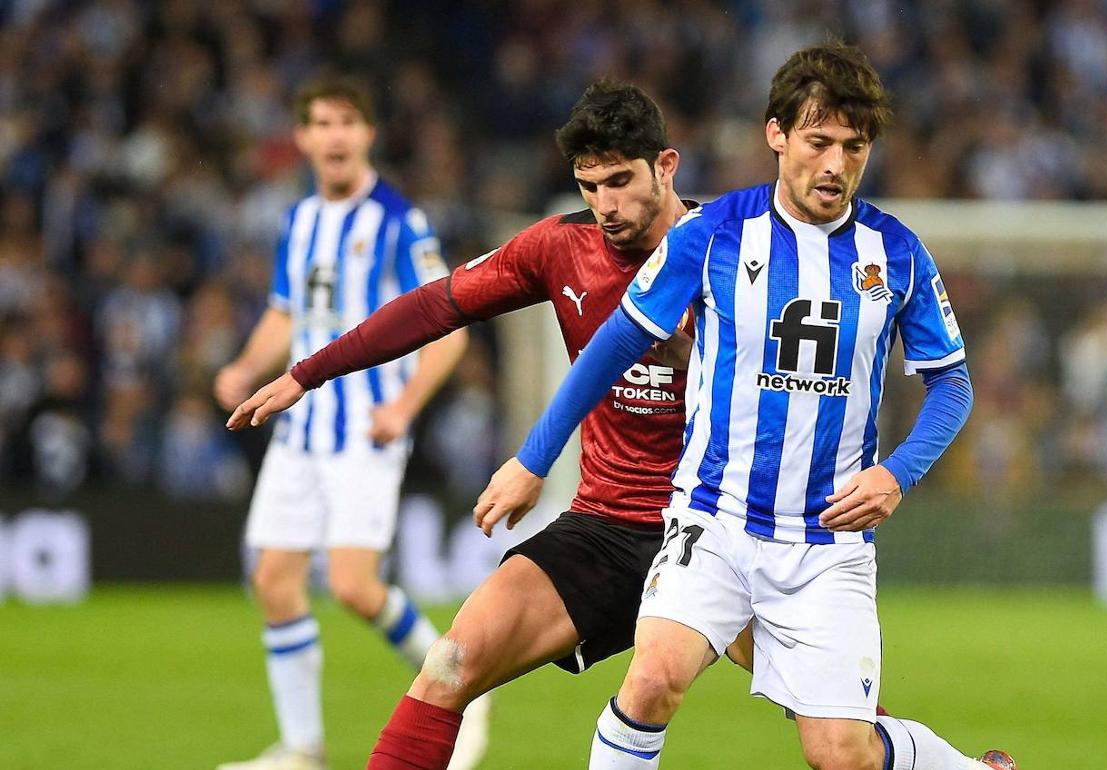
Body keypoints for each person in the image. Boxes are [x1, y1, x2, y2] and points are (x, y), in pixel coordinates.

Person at [476, 42, 1017, 770]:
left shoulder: (897, 253)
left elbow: (952, 384)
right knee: (653, 679)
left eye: (853, 147)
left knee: (842, 755)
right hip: (714, 518)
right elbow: (610, 349)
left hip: (826, 543)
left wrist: (897, 474)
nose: (835, 164)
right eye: (818, 141)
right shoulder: (712, 235)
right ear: (776, 135)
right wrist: (532, 458)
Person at [228, 81, 774, 770]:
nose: (605, 205)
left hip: (723, 526)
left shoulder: (742, 258)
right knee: (451, 661)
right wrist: (308, 372)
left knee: (836, 730)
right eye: (589, 186)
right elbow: (436, 307)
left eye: (621, 181)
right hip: (607, 526)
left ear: (666, 166)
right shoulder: (560, 248)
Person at [212, 78, 477, 770]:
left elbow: (450, 330)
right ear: (300, 138)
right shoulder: (298, 219)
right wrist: (245, 368)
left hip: (364, 426)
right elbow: (284, 312)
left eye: (347, 122)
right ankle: (303, 748)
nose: (333, 135)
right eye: (320, 123)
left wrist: (404, 405)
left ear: (368, 135)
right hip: (299, 431)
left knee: (355, 586)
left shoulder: (398, 221)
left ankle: (458, 687)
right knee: (274, 578)